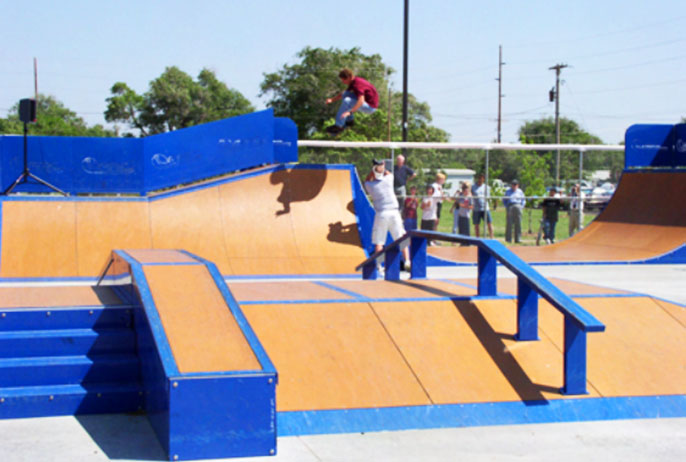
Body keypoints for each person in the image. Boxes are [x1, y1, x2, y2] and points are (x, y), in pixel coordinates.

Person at [364, 159, 410, 271]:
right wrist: (382, 165)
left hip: (381, 214)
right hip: (394, 212)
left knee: (379, 242)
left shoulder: (370, 186)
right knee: (401, 238)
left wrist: (374, 168)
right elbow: (387, 173)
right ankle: (407, 260)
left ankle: (379, 265)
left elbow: (366, 179)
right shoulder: (389, 179)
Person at [325, 68, 379, 135]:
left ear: (349, 77)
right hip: (367, 102)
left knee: (347, 100)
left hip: (370, 107)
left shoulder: (357, 85)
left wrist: (350, 112)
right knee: (345, 94)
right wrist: (332, 100)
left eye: (343, 80)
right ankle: (350, 121)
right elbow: (343, 94)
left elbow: (361, 101)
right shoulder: (353, 82)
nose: (343, 82)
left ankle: (338, 126)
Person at [503, 179, 526, 243]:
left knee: (518, 223)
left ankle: (518, 239)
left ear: (518, 185)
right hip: (510, 206)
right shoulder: (508, 191)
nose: (514, 186)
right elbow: (504, 200)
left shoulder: (520, 191)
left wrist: (522, 206)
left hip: (518, 206)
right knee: (509, 223)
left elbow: (523, 200)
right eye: (513, 184)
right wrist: (506, 206)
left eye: (515, 184)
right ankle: (508, 239)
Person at [472, 174, 494, 238]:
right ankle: (477, 238)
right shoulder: (473, 187)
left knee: (489, 223)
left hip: (485, 208)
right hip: (476, 209)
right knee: (476, 225)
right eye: (479, 178)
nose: (480, 180)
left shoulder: (486, 187)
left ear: (483, 179)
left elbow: (488, 197)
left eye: (482, 179)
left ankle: (491, 238)